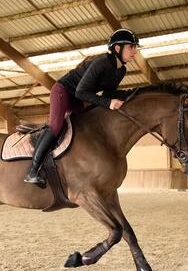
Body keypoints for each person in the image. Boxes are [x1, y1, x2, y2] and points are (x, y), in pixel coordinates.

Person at [23, 28, 139, 188]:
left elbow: (108, 93)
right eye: (131, 47)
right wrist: (108, 103)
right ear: (117, 48)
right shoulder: (102, 63)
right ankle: (32, 171)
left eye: (135, 47)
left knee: (85, 125)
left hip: (78, 97)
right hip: (63, 92)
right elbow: (82, 91)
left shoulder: (121, 70)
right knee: (56, 126)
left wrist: (130, 96)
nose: (135, 51)